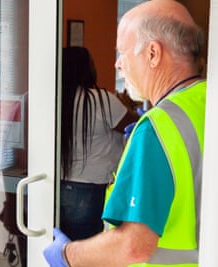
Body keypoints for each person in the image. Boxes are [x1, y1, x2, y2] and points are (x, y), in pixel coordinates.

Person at [44, 0, 206, 266]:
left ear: (153, 53)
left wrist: (65, 255)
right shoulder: (207, 101)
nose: (118, 64)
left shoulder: (158, 128)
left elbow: (134, 246)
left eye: (123, 53)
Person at [59, 46, 139, 241]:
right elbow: (137, 128)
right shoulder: (101, 100)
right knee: (85, 248)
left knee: (58, 247)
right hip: (89, 189)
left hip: (55, 184)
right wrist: (128, 105)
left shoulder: (53, 99)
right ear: (86, 69)